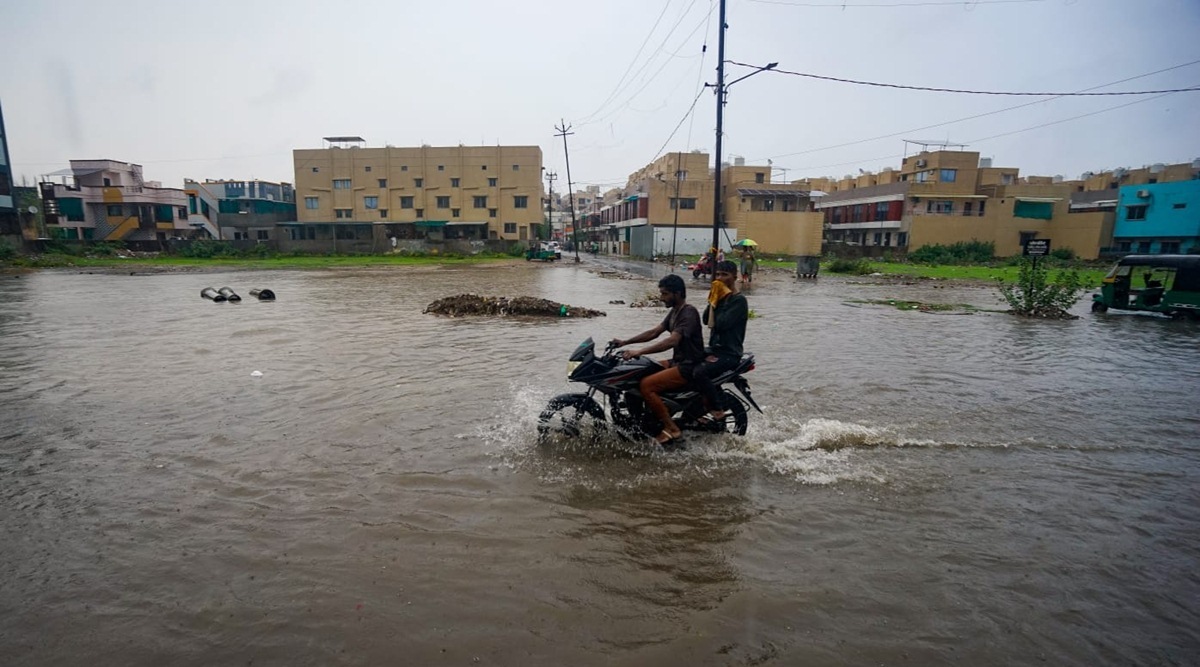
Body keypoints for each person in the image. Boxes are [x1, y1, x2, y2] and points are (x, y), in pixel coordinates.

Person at [611, 274, 705, 445]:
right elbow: (654, 332)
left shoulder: (688, 313)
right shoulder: (675, 312)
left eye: (665, 294)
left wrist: (639, 351)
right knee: (638, 371)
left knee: (647, 386)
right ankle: (643, 423)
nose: (661, 298)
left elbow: (672, 341)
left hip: (689, 366)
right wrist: (625, 342)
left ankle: (671, 428)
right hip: (677, 361)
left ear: (677, 293)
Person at [695, 260, 749, 424]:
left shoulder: (738, 301)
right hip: (714, 349)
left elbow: (722, 324)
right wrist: (713, 299)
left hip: (729, 353)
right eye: (717, 274)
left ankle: (717, 409)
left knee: (699, 372)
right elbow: (706, 320)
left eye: (724, 275)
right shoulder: (718, 298)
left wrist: (722, 298)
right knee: (684, 362)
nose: (719, 278)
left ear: (734, 277)